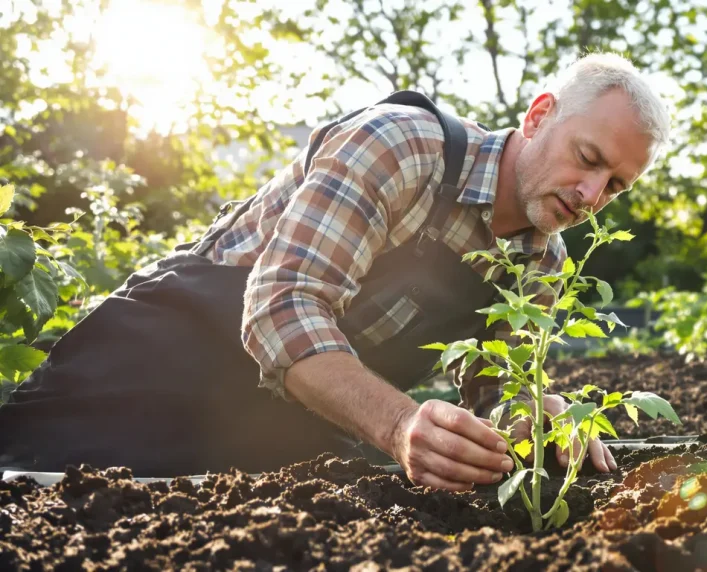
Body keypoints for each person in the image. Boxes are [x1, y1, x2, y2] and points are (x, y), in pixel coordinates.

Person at [0, 53, 670, 489]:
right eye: (587, 158)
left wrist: (532, 411)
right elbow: (281, 306)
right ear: (540, 115)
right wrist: (399, 425)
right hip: (152, 364)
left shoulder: (540, 263)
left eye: (615, 186)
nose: (591, 195)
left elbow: (491, 384)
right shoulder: (403, 146)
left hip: (274, 422)